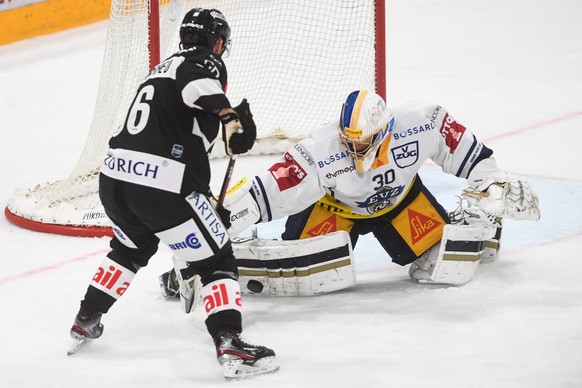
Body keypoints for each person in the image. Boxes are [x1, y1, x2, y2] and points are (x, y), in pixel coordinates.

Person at [159, 89, 540, 295]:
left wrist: (491, 182)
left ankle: (473, 223)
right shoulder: (319, 149)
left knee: (443, 266)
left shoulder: (423, 121)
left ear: (385, 131)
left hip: (400, 202)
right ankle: (216, 263)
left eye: (364, 142)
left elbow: (468, 152)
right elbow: (271, 189)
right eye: (349, 141)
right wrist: (218, 221)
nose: (355, 150)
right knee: (304, 273)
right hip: (334, 209)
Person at [69, 8, 278, 380]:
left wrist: (205, 203)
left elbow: (172, 136)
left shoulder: (160, 68)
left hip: (115, 179)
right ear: (216, 41)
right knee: (216, 261)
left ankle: (87, 318)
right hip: (161, 184)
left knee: (131, 249)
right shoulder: (204, 63)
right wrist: (229, 115)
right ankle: (229, 342)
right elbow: (198, 85)